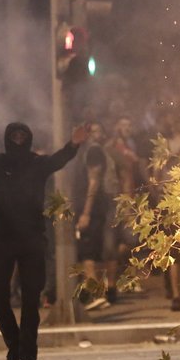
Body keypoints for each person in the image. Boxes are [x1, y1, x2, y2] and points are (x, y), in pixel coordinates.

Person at [0, 120, 88, 360]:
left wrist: (74, 143)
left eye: (23, 135)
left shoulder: (37, 163)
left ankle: (28, 358)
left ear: (29, 138)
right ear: (8, 139)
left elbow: (59, 160)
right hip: (3, 237)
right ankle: (15, 346)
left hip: (32, 238)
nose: (19, 139)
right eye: (15, 135)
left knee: (31, 299)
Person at [75, 122, 118, 311]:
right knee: (88, 253)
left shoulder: (93, 151)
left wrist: (86, 212)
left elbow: (94, 181)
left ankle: (95, 295)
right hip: (95, 209)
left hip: (93, 210)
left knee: (88, 253)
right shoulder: (91, 151)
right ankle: (91, 292)